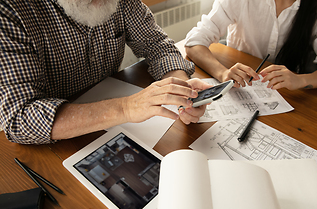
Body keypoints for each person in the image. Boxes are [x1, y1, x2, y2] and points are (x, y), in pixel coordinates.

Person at [0, 0, 212, 144]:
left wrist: (179, 85)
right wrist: (127, 108)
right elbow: (19, 118)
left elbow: (157, 45)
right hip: (57, 142)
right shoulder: (10, 10)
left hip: (114, 132)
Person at [184, 0, 317, 90]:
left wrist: (300, 80)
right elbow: (194, 41)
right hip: (240, 85)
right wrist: (223, 73)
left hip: (286, 93)